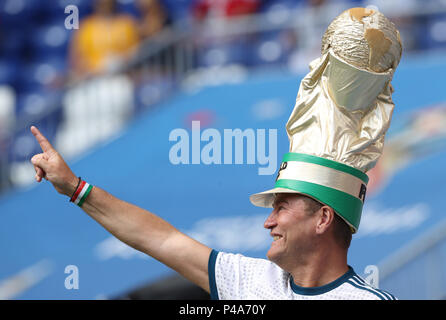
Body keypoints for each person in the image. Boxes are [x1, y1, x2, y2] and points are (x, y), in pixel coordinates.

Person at [31, 7, 401, 300]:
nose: (267, 222)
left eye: (281, 206)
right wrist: (74, 187)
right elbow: (161, 239)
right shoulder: (252, 283)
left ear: (323, 218)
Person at [69, 0, 140, 79]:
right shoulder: (86, 27)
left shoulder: (126, 23)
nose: (104, 3)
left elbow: (136, 53)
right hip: (93, 79)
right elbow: (77, 59)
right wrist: (98, 68)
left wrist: (120, 61)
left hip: (123, 76)